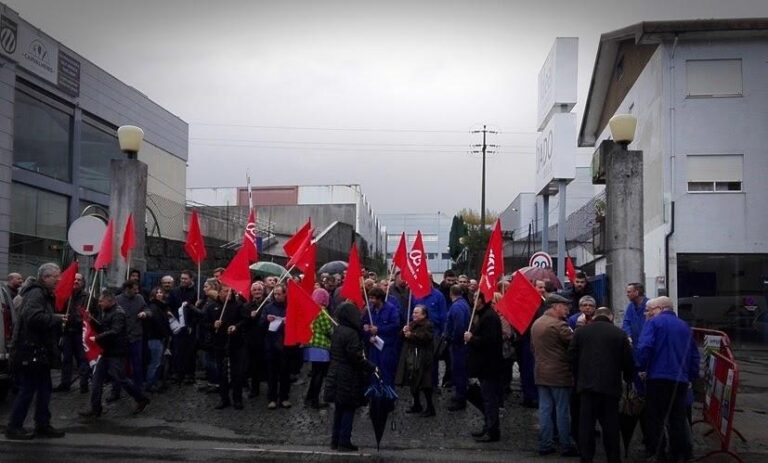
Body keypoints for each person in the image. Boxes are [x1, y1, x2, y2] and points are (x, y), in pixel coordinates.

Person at [635, 296, 700, 462]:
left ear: (660, 309)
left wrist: (640, 367)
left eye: (648, 310)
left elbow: (645, 346)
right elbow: (694, 354)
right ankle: (679, 454)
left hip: (658, 377)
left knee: (655, 417)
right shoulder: (685, 326)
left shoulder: (654, 323)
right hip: (680, 380)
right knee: (677, 417)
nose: (646, 314)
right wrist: (691, 375)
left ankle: (657, 453)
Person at [6, 263, 66, 440]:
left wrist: (57, 318)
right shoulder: (36, 293)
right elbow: (33, 318)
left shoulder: (42, 293)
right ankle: (14, 426)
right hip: (30, 351)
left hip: (38, 351)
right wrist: (56, 319)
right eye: (56, 276)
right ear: (45, 277)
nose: (58, 279)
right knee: (27, 390)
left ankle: (42, 424)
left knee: (44, 388)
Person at [568, 307, 635, 463]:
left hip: (587, 386)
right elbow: (628, 361)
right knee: (611, 425)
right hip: (610, 387)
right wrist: (628, 378)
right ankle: (613, 457)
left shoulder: (581, 332)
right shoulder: (619, 334)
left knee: (586, 425)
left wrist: (578, 376)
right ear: (610, 317)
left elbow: (571, 356)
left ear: (594, 317)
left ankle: (586, 457)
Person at [79, 289, 150, 418]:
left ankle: (141, 398)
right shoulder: (107, 311)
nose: (99, 304)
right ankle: (95, 408)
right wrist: (92, 320)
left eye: (101, 301)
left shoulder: (118, 314)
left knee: (120, 378)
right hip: (106, 351)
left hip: (116, 352)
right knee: (96, 380)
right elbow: (103, 327)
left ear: (109, 300)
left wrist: (97, 338)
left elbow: (115, 331)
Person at [324, 302, 376, 452]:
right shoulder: (351, 333)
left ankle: (335, 440)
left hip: (335, 371)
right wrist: (370, 366)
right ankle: (344, 441)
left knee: (339, 408)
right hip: (347, 374)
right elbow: (355, 357)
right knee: (348, 407)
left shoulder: (338, 330)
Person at [530, 293, 577, 457]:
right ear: (555, 306)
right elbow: (574, 345)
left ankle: (545, 444)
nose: (568, 311)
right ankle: (566, 445)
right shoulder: (560, 326)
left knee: (545, 410)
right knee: (562, 411)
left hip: (541, 372)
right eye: (565, 307)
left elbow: (533, 349)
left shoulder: (537, 323)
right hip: (559, 374)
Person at [464, 292, 504, 443]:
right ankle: (488, 425)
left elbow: (490, 341)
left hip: (489, 366)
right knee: (485, 398)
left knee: (489, 399)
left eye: (476, 297)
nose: (473, 300)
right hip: (483, 365)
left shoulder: (489, 317)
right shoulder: (482, 315)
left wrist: (472, 338)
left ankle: (492, 430)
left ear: (482, 300)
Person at [210, 285, 247, 410]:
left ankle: (237, 399)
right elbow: (204, 322)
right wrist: (213, 325)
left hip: (236, 344)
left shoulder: (238, 305)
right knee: (222, 373)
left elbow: (244, 320)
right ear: (219, 293)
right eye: (226, 291)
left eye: (231, 290)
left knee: (237, 373)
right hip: (220, 344)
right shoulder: (212, 307)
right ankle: (224, 399)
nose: (229, 293)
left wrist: (236, 326)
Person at [396, 304, 436, 417]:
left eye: (416, 313)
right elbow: (403, 337)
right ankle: (417, 404)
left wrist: (412, 335)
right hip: (412, 357)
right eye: (413, 312)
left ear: (424, 314)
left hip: (423, 358)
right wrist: (404, 331)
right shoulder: (412, 324)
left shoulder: (427, 325)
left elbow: (425, 338)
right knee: (413, 381)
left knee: (425, 383)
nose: (414, 314)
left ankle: (430, 407)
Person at [54, 272, 90, 393]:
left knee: (82, 359)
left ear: (83, 283)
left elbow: (92, 316)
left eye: (79, 280)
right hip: (67, 332)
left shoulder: (88, 297)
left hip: (80, 333)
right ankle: (65, 383)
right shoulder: (66, 295)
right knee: (66, 359)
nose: (76, 282)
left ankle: (84, 384)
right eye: (74, 279)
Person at [262, 284, 293, 409]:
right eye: (275, 294)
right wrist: (266, 319)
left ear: (285, 294)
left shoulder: (290, 307)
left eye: (279, 294)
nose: (276, 296)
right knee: (272, 373)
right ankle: (272, 398)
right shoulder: (268, 307)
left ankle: (284, 397)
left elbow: (297, 324)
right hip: (271, 344)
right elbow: (261, 324)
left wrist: (288, 321)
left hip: (286, 344)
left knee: (285, 373)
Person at [361, 287, 400, 386]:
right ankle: (375, 397)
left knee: (386, 373)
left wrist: (379, 329)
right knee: (374, 372)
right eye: (369, 298)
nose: (370, 300)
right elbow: (364, 324)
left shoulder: (391, 309)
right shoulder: (370, 310)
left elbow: (395, 326)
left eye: (373, 298)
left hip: (387, 347)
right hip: (373, 347)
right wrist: (367, 334)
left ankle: (387, 397)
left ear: (380, 299)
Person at [115, 280, 148, 394]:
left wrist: (145, 313)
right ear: (127, 289)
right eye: (134, 289)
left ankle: (138, 388)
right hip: (122, 338)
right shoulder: (118, 299)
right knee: (119, 366)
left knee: (137, 364)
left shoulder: (139, 298)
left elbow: (147, 309)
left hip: (136, 337)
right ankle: (116, 390)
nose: (137, 291)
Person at [304, 288, 334, 409]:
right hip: (321, 345)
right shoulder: (322, 311)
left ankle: (309, 397)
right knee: (319, 375)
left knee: (315, 372)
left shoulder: (310, 309)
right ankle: (315, 401)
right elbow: (328, 329)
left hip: (311, 344)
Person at [412, 286, 447, 388]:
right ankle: (419, 384)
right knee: (418, 359)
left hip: (434, 332)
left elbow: (443, 315)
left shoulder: (438, 296)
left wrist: (443, 333)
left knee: (432, 361)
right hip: (417, 332)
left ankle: (432, 385)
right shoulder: (415, 294)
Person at [445, 284, 470, 411]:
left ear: (451, 294)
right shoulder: (464, 304)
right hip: (461, 344)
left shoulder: (456, 307)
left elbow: (459, 326)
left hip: (458, 345)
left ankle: (461, 398)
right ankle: (459, 394)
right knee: (460, 371)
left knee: (459, 370)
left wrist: (453, 339)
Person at [144, 286, 171, 393]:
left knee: (158, 362)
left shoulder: (161, 307)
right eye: (157, 292)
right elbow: (158, 324)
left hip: (159, 338)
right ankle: (150, 384)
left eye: (161, 292)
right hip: (155, 338)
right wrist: (166, 334)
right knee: (155, 363)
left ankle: (153, 383)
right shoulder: (154, 307)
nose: (159, 294)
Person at [244, 281, 267, 398]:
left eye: (259, 290)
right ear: (251, 292)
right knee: (253, 365)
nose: (257, 292)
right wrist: (249, 317)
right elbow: (243, 323)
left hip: (265, 339)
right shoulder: (247, 306)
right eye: (255, 290)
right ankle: (254, 388)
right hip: (252, 340)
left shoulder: (268, 304)